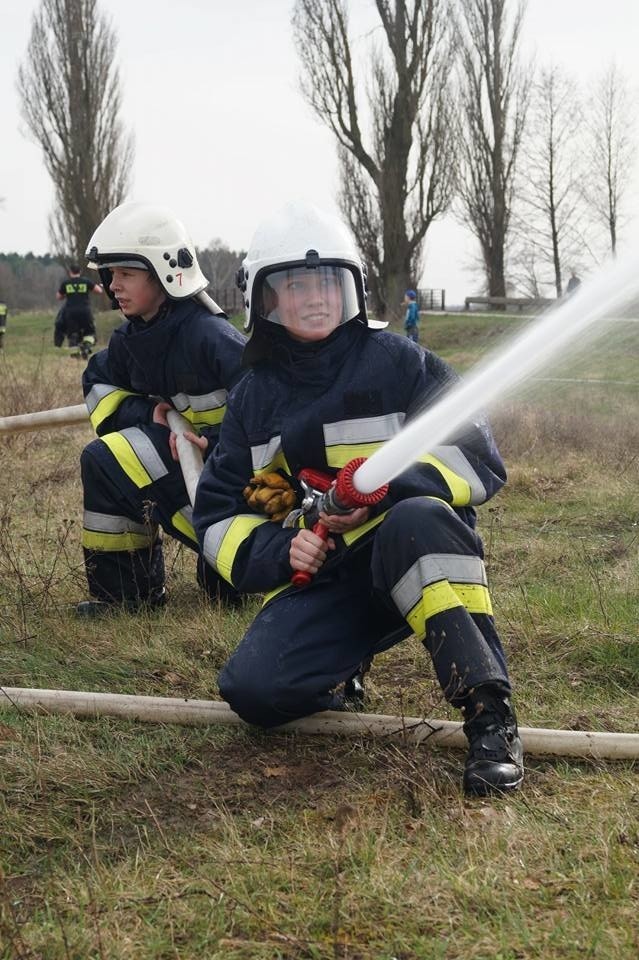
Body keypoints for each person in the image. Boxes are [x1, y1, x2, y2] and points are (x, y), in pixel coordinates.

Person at [193, 202, 524, 797]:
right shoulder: (254, 400)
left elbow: (479, 457)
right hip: (331, 576)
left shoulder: (400, 363)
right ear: (265, 301)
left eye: (327, 281)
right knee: (254, 690)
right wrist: (281, 551)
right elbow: (217, 514)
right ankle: (343, 669)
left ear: (352, 289)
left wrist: (386, 491)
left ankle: (490, 715)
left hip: (416, 553)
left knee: (418, 520)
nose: (315, 297)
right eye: (295, 285)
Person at [77, 201, 246, 617]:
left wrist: (215, 443)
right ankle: (128, 594)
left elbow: (265, 404)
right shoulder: (132, 340)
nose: (114, 285)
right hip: (184, 470)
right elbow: (99, 383)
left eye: (127, 274)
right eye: (111, 274)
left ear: (168, 273)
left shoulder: (211, 337)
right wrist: (145, 414)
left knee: (227, 589)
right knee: (105, 459)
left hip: (235, 481)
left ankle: (239, 559)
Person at [55, 264, 103, 359]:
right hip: (85, 311)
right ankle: (86, 347)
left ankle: (75, 356)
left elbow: (58, 297)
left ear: (70, 272)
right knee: (89, 332)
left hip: (70, 312)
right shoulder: (86, 281)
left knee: (73, 334)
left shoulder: (66, 283)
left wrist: (68, 294)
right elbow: (99, 291)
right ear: (80, 272)